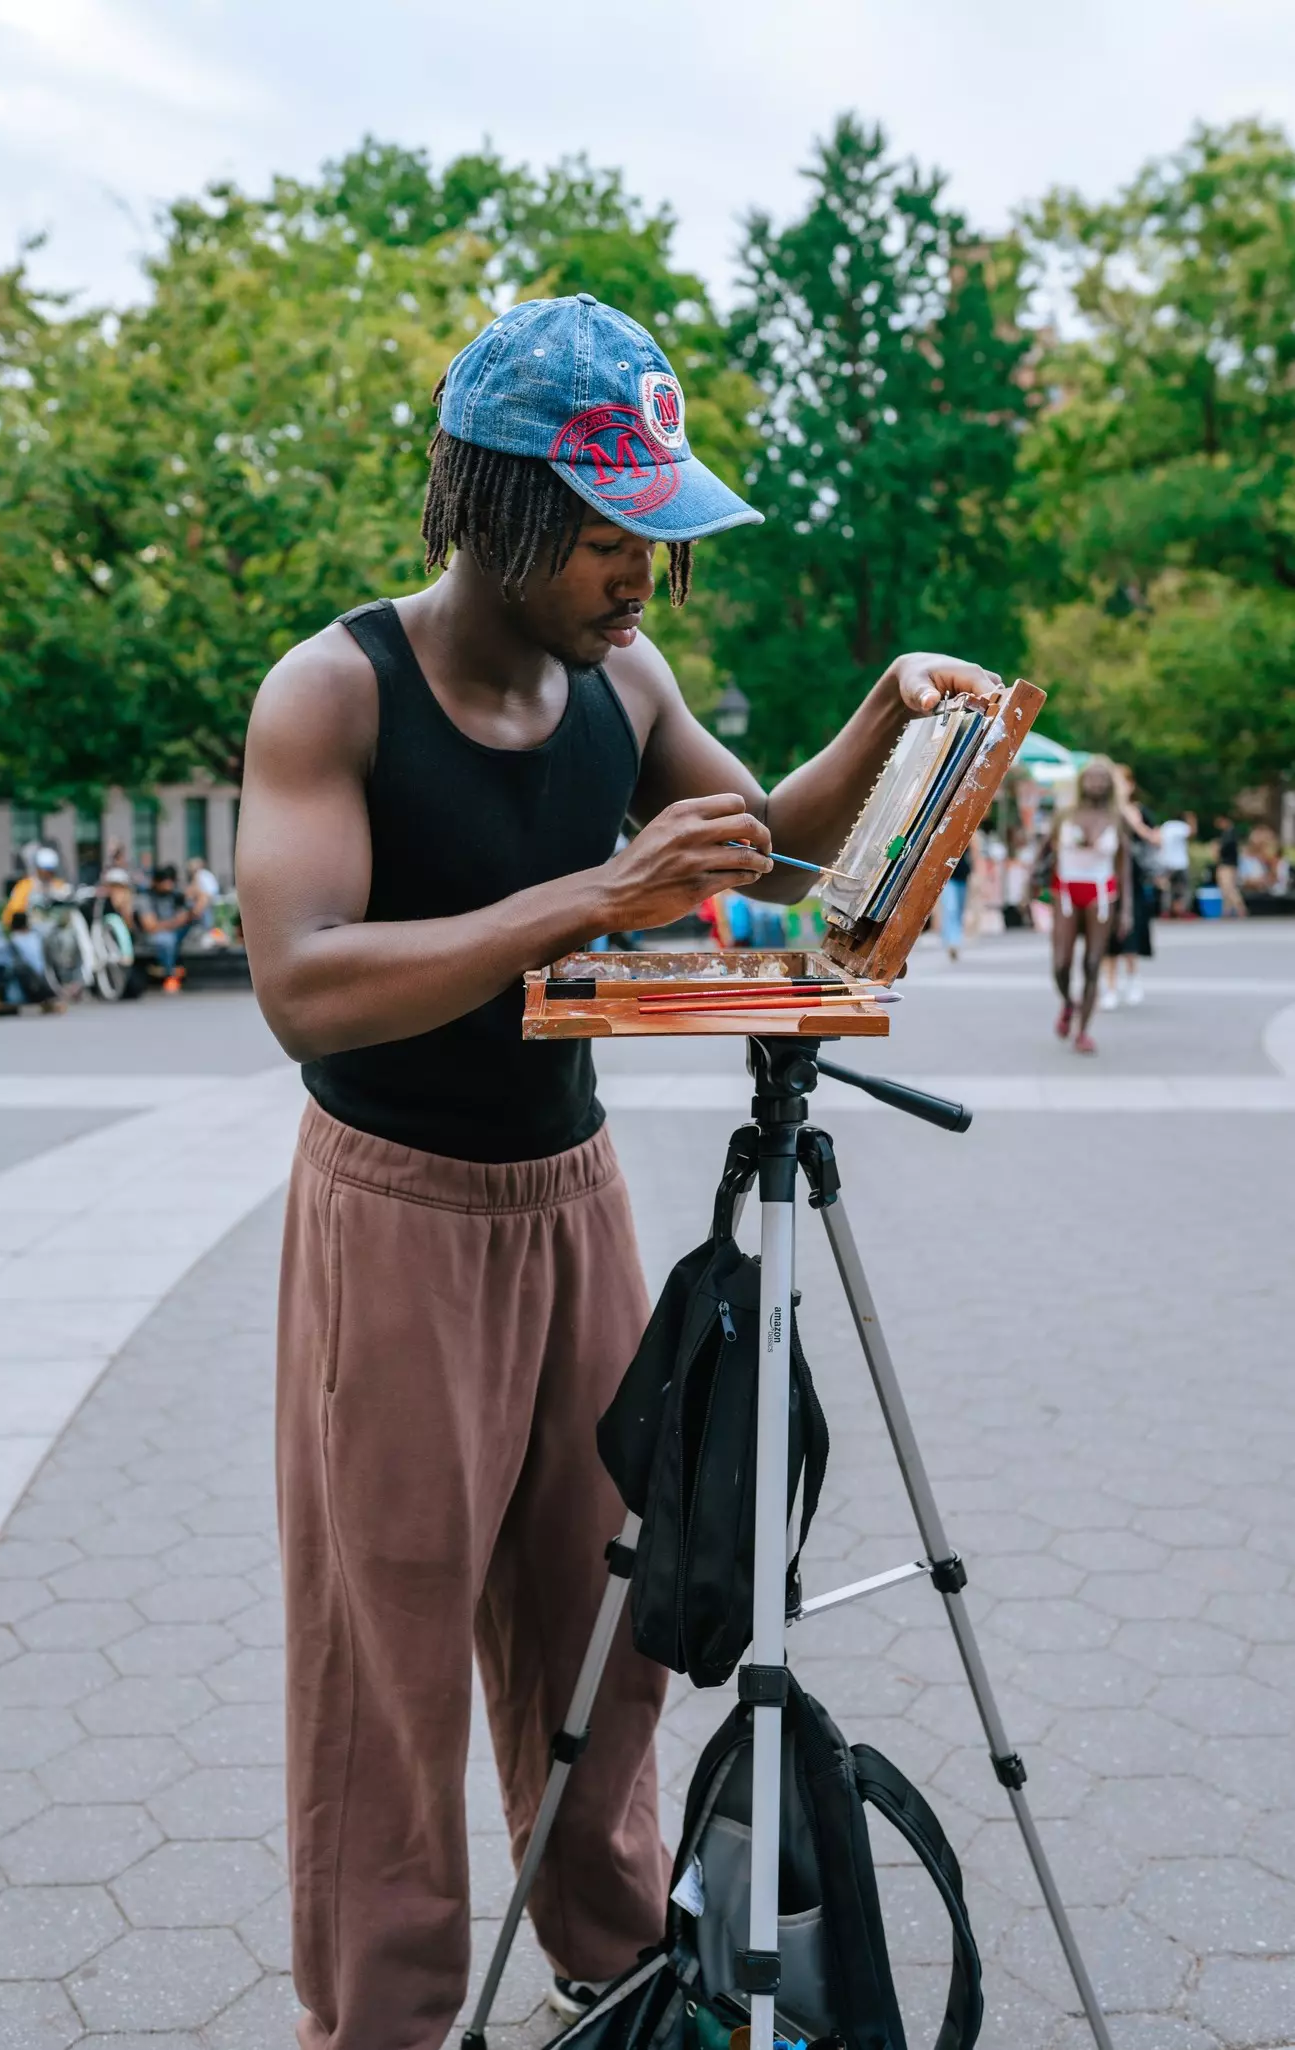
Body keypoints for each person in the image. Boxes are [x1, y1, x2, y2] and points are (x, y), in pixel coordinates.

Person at [236, 291, 998, 2050]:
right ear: (491, 510)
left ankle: (615, 1963)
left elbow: (764, 853)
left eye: (655, 529)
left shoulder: (624, 677)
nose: (637, 571)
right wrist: (595, 895)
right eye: (602, 535)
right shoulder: (336, 688)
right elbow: (303, 981)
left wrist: (886, 723)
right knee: (390, 1657)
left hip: (568, 1201)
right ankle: (386, 2020)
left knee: (616, 1611)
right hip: (397, 1207)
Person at [1047, 757, 1128, 1054]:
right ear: (1081, 781)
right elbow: (1046, 851)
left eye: (1102, 778)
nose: (1096, 783)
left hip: (1102, 894)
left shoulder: (1117, 817)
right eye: (1091, 777)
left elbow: (1124, 866)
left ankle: (1083, 1032)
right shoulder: (1066, 815)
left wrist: (1127, 910)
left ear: (1110, 784)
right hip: (1066, 892)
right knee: (1061, 963)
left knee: (1093, 963)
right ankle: (1069, 1002)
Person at [1101, 764, 1160, 1010]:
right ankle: (1110, 987)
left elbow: (1157, 840)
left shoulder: (1138, 811)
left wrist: (1137, 825)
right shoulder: (1103, 811)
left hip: (1132, 882)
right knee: (1105, 936)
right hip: (1105, 880)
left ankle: (1133, 979)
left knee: (1131, 932)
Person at [136, 864, 193, 990]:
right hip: (153, 935)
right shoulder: (145, 898)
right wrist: (175, 922)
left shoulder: (176, 895)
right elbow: (150, 926)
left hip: (175, 932)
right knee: (166, 941)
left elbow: (188, 915)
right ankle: (169, 975)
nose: (169, 885)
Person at [1156, 811, 1195, 916]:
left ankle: (1165, 910)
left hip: (1167, 862)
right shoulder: (1182, 826)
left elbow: (1157, 840)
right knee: (1184, 889)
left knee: (1167, 888)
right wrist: (1193, 820)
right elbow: (1192, 833)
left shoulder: (1166, 826)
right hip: (1181, 863)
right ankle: (1183, 910)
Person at [939, 846, 972, 959]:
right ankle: (952, 941)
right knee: (950, 908)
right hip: (948, 877)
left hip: (962, 876)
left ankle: (955, 939)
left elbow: (975, 854)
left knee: (959, 910)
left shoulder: (970, 834)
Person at [1214, 815, 1247, 917]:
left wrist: (1217, 849)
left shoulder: (1229, 835)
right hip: (1231, 864)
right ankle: (1226, 910)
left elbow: (1224, 849)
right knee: (1227, 889)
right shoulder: (1232, 834)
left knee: (1228, 888)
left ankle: (1240, 908)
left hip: (1227, 864)